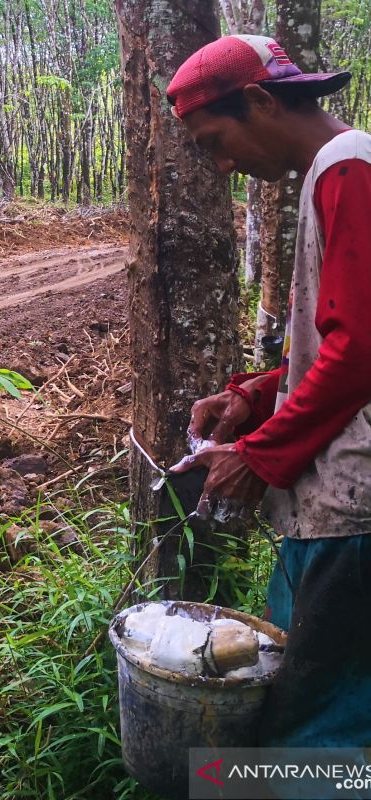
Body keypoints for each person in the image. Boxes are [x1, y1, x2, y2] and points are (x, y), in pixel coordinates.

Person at [166, 35, 371, 747]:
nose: (224, 165)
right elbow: (341, 336)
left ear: (259, 100)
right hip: (334, 505)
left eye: (218, 141)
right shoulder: (332, 172)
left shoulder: (348, 168)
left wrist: (259, 453)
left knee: (318, 728)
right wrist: (255, 395)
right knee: (305, 697)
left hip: (355, 508)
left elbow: (360, 350)